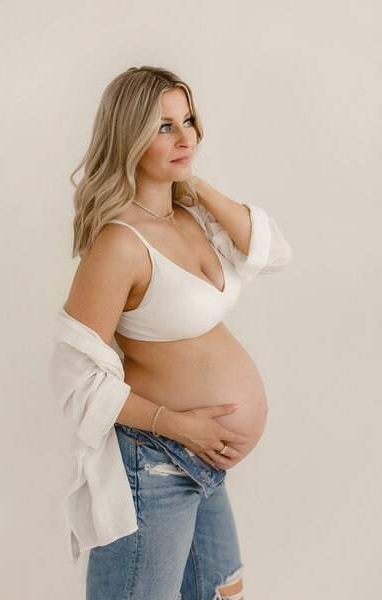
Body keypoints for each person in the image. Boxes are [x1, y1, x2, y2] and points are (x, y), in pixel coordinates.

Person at [49, 65, 293, 600]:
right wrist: (179, 426)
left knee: (221, 592)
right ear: (129, 136)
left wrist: (196, 186)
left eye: (189, 120)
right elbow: (73, 378)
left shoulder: (194, 219)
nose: (187, 137)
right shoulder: (118, 243)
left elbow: (272, 253)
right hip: (156, 461)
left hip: (200, 460)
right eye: (164, 127)